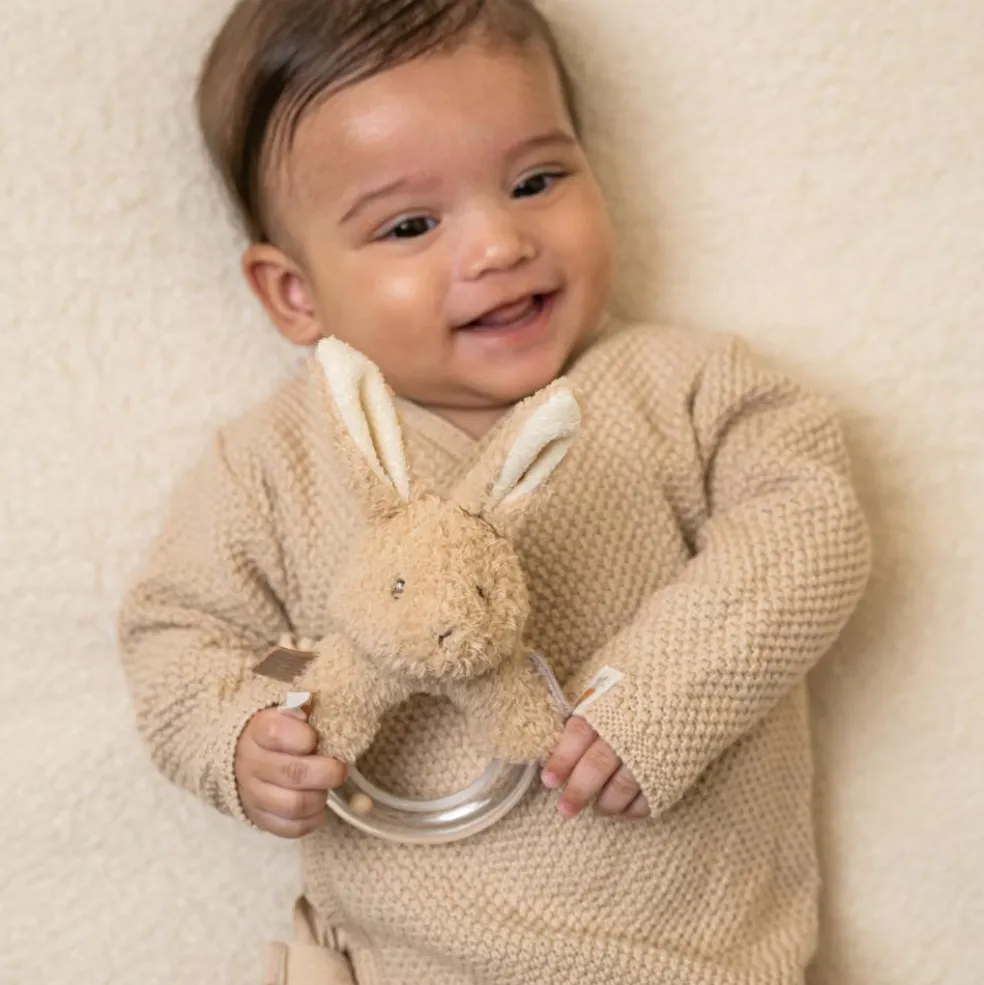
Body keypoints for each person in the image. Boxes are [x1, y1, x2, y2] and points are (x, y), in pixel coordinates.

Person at [117, 1, 872, 981]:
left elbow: (809, 522)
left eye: (535, 180)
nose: (499, 244)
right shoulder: (271, 467)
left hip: (693, 957)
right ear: (295, 292)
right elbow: (176, 633)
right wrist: (240, 738)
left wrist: (665, 692)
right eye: (411, 224)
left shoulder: (686, 391)